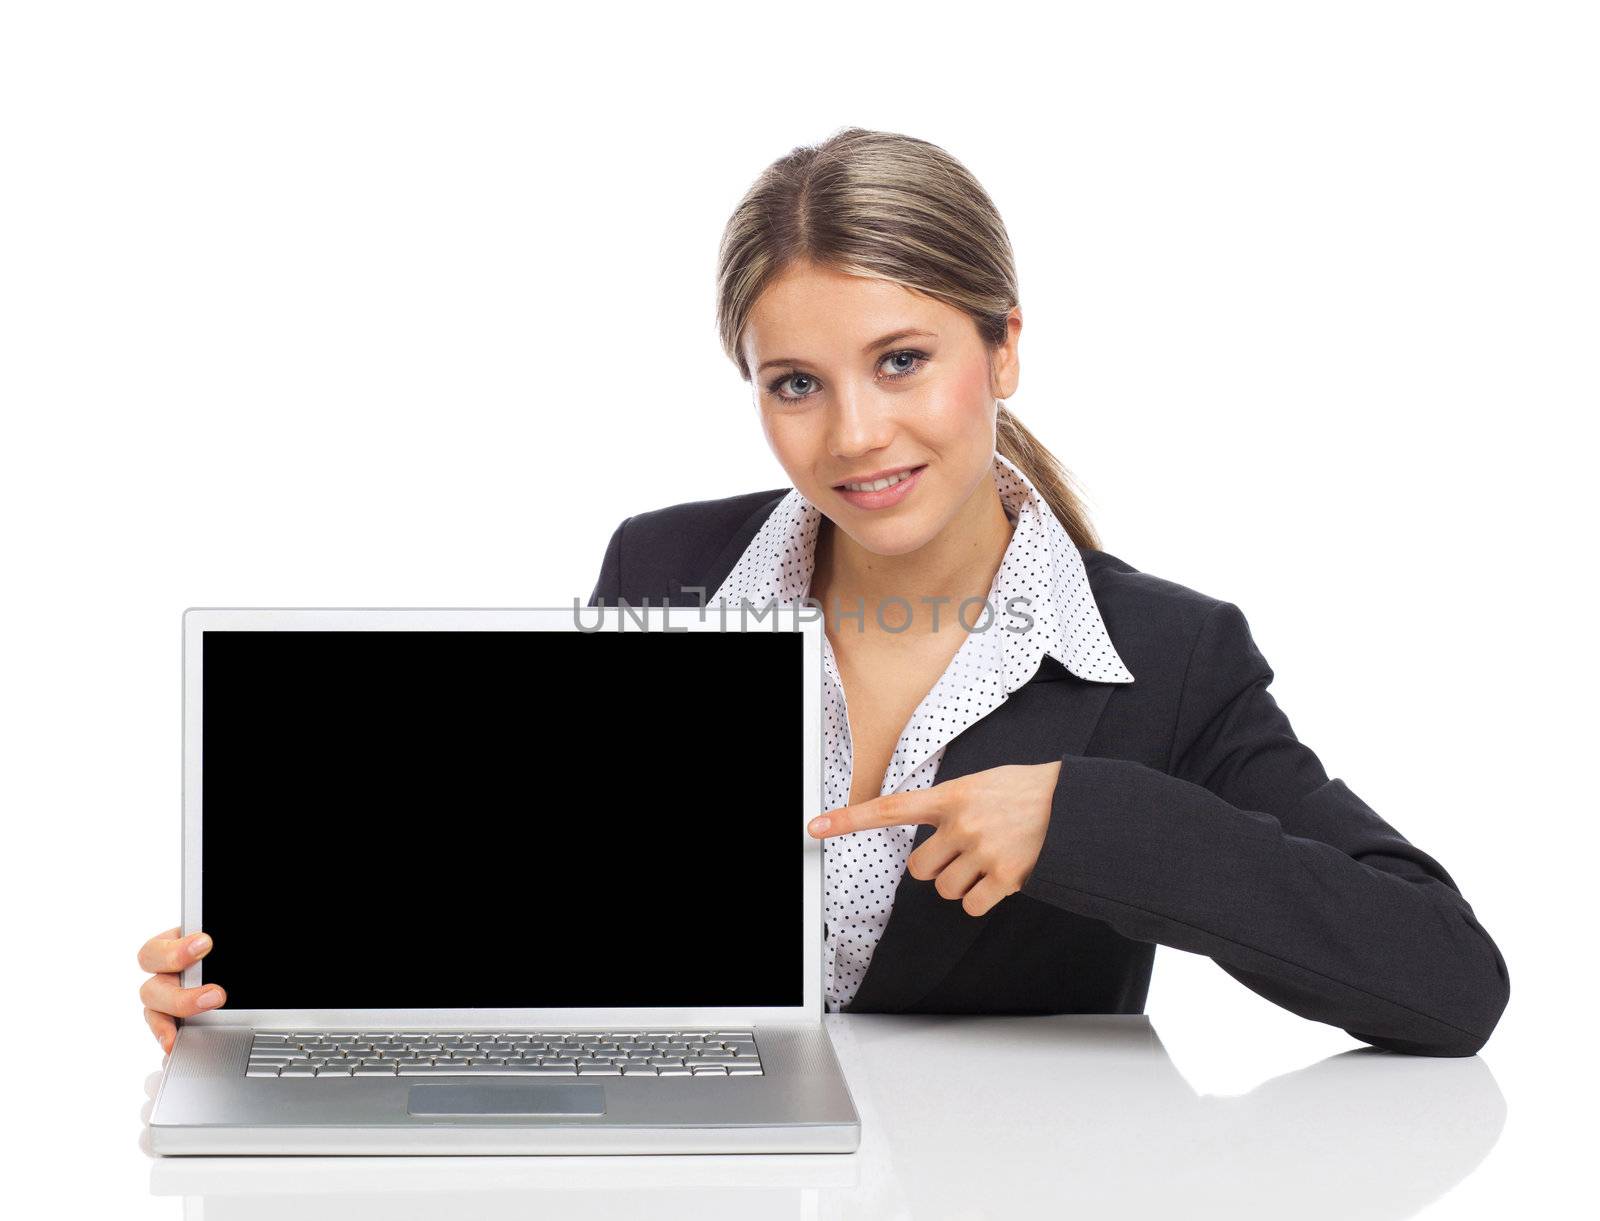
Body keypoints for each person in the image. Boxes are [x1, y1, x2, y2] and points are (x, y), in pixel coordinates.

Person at [139, 126, 1510, 1059]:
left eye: (902, 359)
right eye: (795, 383)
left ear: (1005, 347)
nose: (852, 435)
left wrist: (1094, 819)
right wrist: (274, 1000)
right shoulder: (664, 573)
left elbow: (1449, 975)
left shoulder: (1164, 657)